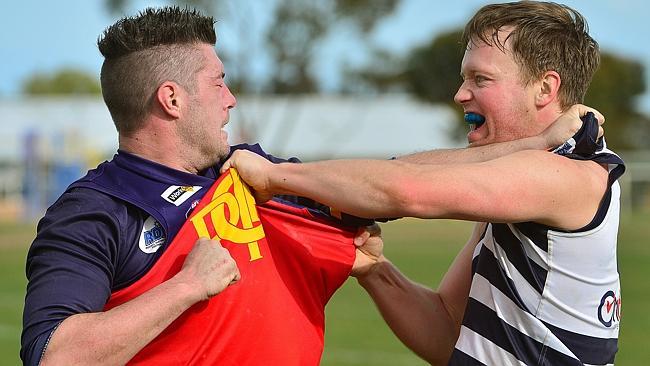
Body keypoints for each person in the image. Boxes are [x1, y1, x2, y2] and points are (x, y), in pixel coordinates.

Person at [223, 2, 625, 365]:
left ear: (545, 88)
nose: (460, 94)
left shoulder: (570, 176)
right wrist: (375, 271)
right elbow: (447, 332)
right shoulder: (521, 183)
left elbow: (405, 190)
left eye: (480, 79)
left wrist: (275, 177)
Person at [21, 7, 379, 365]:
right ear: (172, 99)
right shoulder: (94, 211)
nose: (230, 99)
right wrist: (186, 286)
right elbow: (55, 357)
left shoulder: (253, 173)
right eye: (219, 82)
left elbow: (386, 191)